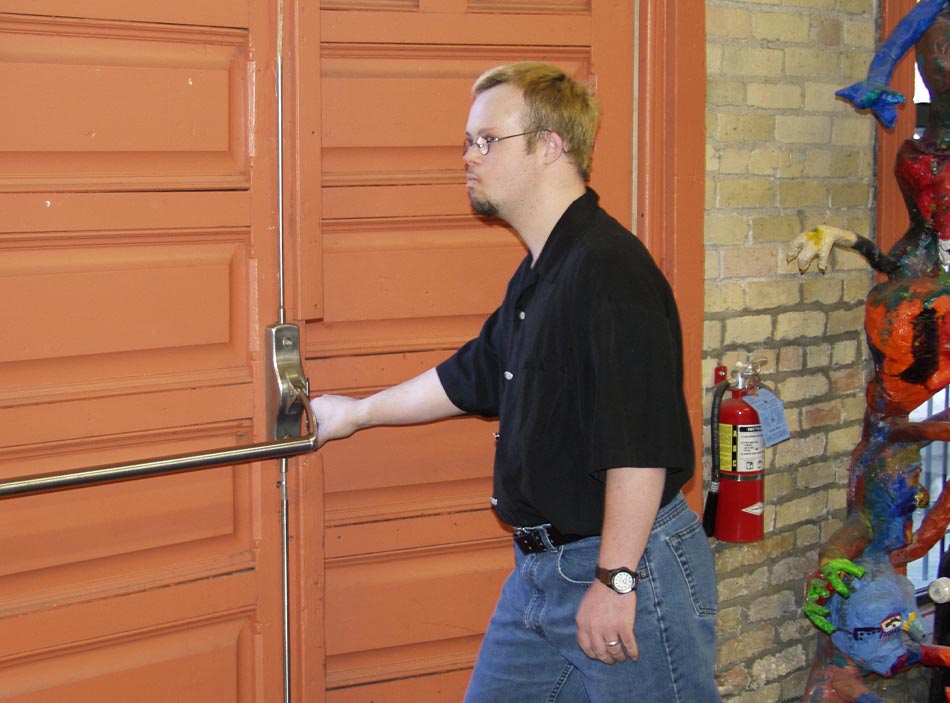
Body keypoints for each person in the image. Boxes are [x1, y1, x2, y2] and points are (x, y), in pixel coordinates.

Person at [310, 62, 720, 702]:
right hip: (540, 574)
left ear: (551, 146)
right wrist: (357, 414)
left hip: (626, 568)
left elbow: (640, 447)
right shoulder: (540, 272)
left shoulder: (611, 271)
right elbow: (471, 375)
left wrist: (615, 581)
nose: (469, 157)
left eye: (486, 140)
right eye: (467, 143)